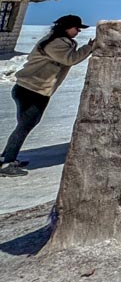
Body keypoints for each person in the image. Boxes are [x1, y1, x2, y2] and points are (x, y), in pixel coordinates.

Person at [1, 15, 94, 177]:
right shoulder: (56, 43)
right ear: (67, 28)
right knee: (25, 126)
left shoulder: (58, 40)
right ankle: (6, 162)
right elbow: (70, 59)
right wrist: (90, 47)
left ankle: (7, 157)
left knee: (24, 125)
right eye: (76, 28)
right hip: (32, 90)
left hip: (31, 89)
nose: (78, 31)